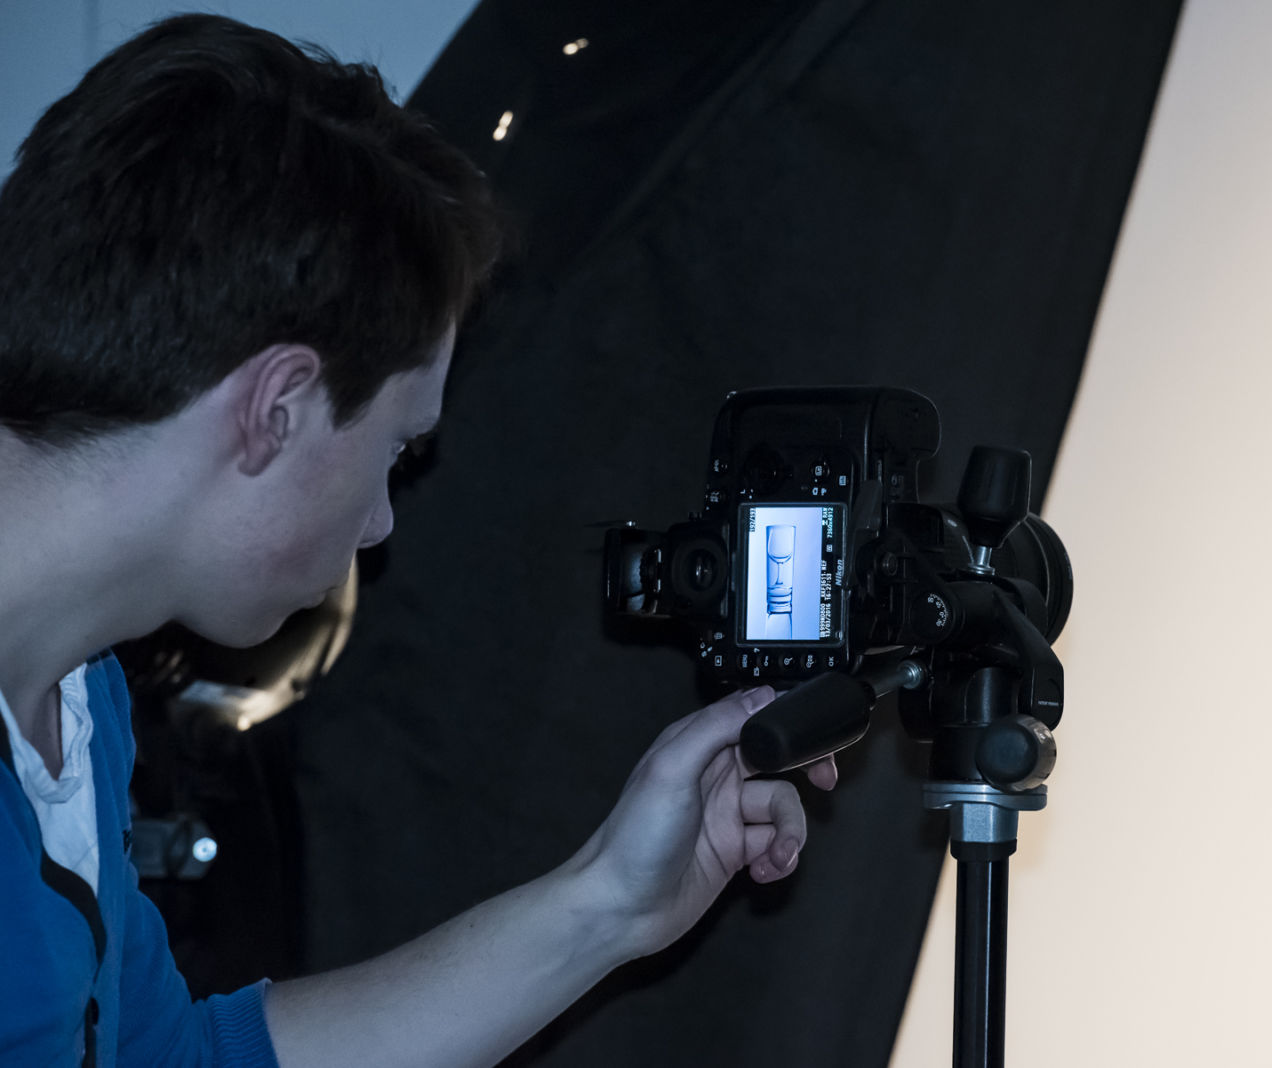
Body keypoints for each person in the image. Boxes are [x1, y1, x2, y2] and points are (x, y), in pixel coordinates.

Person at [0, 14, 835, 1067]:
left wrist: (610, 904)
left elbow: (169, 1057)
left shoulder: (78, 697)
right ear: (276, 410)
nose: (382, 521)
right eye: (395, 450)